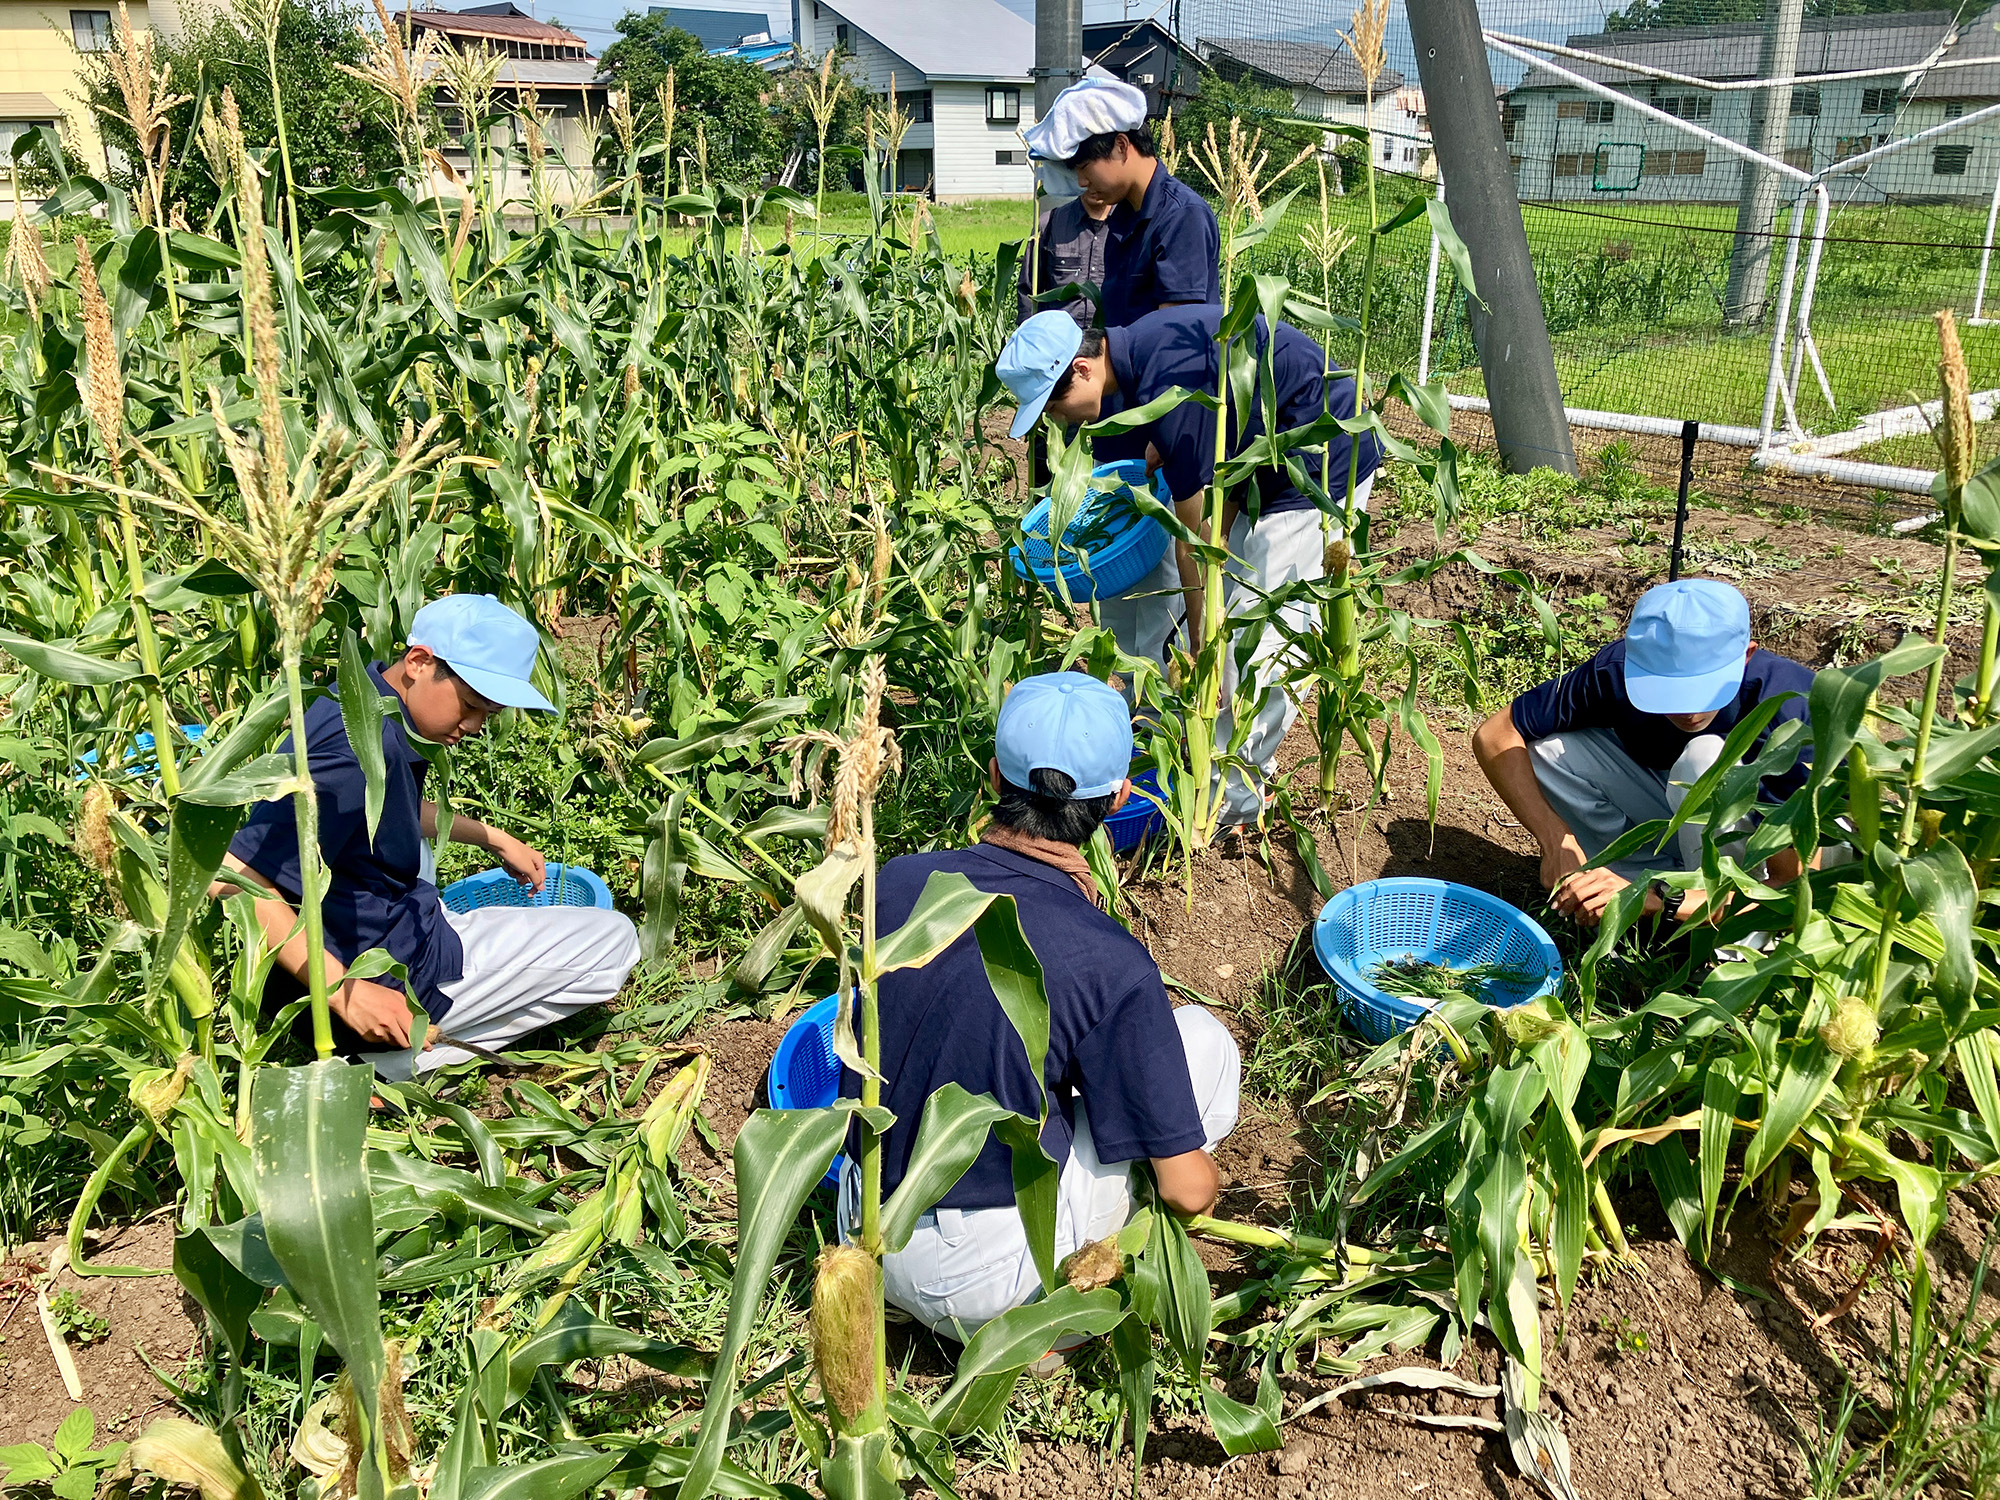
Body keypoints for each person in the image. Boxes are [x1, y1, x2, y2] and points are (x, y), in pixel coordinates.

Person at [839, 672, 1239, 1342]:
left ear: (994, 777)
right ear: (1119, 797)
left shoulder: (897, 882)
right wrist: (1205, 1177)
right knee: (1201, 1041)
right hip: (992, 1282)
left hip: (863, 1227)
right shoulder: (1108, 960)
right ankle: (1047, 1336)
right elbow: (1188, 1191)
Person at [214, 594, 640, 1077]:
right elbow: (232, 877)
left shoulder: (364, 701)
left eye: (489, 713)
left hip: (388, 922)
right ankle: (397, 1061)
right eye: (472, 705)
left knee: (422, 854)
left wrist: (493, 837)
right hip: (393, 975)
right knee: (615, 941)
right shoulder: (354, 751)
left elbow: (383, 809)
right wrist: (345, 994)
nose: (475, 726)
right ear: (419, 662)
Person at [996, 306, 1383, 829]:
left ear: (1083, 368)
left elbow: (1198, 543)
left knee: (1266, 639)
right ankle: (1205, 765)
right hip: (1259, 461)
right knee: (1231, 627)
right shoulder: (1134, 352)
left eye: (1055, 404)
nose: (1057, 420)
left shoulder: (1170, 375)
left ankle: (1233, 801)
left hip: (1317, 462)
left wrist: (1203, 642)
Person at [1471, 578, 1817, 927]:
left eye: (1703, 686)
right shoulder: (1616, 671)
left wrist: (1666, 899)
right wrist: (1556, 841)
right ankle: (1615, 890)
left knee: (1705, 758)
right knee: (1548, 752)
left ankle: (1718, 942)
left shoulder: (1788, 710)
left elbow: (1794, 888)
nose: (1689, 711)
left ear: (1746, 656)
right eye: (1668, 688)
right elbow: (1495, 734)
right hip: (1681, 814)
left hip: (1769, 869)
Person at [1024, 79, 1221, 331]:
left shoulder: (1181, 217)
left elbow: (1175, 336)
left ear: (1121, 146)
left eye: (1084, 168)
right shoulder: (1124, 216)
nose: (1082, 183)